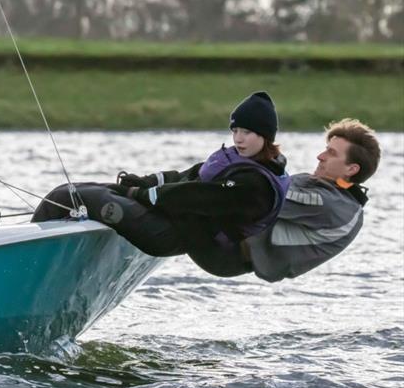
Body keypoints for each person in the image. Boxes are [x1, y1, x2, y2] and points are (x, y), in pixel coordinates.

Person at [33, 91, 291, 274]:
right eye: (235, 131)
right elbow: (186, 177)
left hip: (184, 241)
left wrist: (137, 194)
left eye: (246, 132)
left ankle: (25, 267)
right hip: (178, 225)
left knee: (68, 196)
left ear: (265, 136)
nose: (238, 138)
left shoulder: (255, 186)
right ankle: (37, 260)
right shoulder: (237, 160)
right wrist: (141, 183)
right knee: (88, 190)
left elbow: (193, 195)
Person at [234, 118, 380, 282]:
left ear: (351, 169)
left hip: (229, 252)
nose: (320, 156)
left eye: (331, 153)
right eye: (326, 150)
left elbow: (265, 196)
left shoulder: (335, 206)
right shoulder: (311, 181)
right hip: (229, 232)